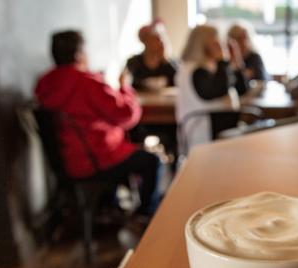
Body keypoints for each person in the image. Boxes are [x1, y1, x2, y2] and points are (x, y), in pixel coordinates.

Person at [35, 30, 161, 217]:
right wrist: (125, 88)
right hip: (96, 159)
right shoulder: (86, 83)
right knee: (152, 161)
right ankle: (145, 214)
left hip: (68, 161)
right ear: (79, 55)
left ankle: (111, 206)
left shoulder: (45, 84)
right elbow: (127, 116)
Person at [176, 25, 249, 152]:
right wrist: (222, 61)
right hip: (204, 130)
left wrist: (236, 61)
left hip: (221, 127)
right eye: (216, 42)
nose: (221, 45)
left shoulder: (213, 66)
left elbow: (242, 89)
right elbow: (217, 90)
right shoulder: (195, 69)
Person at [125, 19, 178, 90]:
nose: (159, 42)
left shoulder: (169, 64)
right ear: (144, 41)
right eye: (155, 39)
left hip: (165, 101)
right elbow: (129, 83)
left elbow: (178, 81)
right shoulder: (133, 62)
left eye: (160, 39)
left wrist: (165, 60)